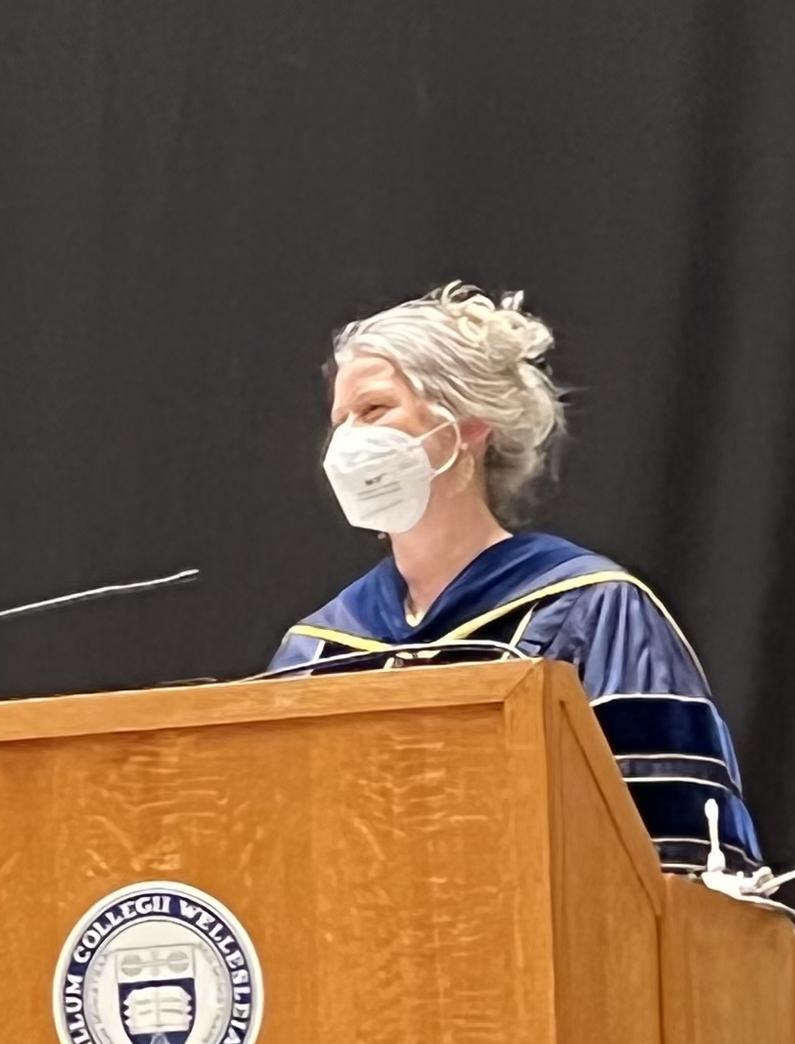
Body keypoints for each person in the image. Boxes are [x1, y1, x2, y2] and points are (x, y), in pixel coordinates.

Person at [273, 282, 762, 872]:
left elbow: (679, 854)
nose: (349, 441)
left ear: (470, 423)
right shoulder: (317, 649)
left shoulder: (592, 613)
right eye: (341, 421)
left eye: (374, 410)